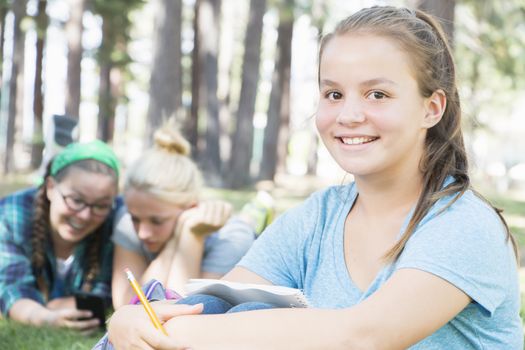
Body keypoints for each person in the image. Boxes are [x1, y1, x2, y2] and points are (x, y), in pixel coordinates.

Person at [106, 6, 523, 349]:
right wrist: (134, 319)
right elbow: (215, 302)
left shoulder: (463, 225)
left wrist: (170, 333)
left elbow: (363, 337)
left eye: (377, 94)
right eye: (334, 94)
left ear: (431, 108)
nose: (349, 115)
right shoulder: (316, 220)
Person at [111, 125, 273, 308]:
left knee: (244, 226)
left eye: (157, 221)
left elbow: (189, 311)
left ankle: (252, 217)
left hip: (233, 232)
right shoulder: (129, 217)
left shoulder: (232, 238)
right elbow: (129, 307)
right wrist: (174, 244)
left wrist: (192, 234)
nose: (143, 233)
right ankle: (251, 214)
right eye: (135, 219)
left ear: (191, 208)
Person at [0, 140, 122, 333]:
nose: (85, 215)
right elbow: (10, 287)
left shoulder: (117, 217)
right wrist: (45, 317)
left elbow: (106, 291)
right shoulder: (12, 213)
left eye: (100, 205)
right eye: (76, 200)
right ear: (50, 187)